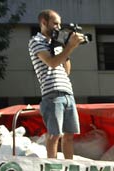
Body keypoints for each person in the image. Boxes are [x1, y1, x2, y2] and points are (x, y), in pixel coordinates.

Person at [29, 9, 85, 160]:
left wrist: (64, 47)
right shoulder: (36, 41)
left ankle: (69, 168)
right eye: (55, 24)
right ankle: (52, 170)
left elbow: (66, 71)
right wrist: (70, 47)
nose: (58, 27)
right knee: (54, 135)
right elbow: (52, 63)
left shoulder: (57, 43)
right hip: (52, 93)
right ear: (43, 22)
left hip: (67, 92)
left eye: (60, 24)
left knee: (69, 136)